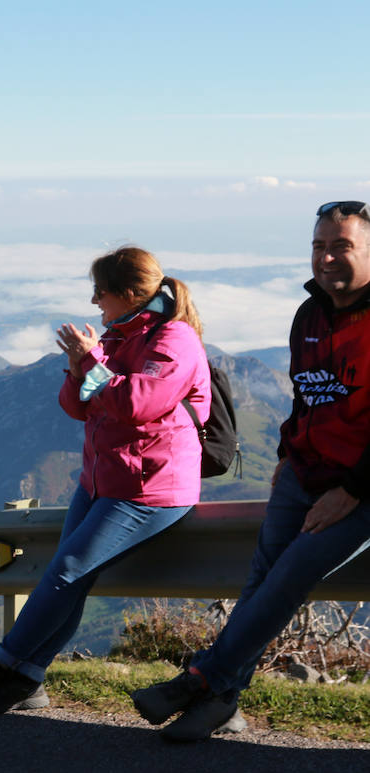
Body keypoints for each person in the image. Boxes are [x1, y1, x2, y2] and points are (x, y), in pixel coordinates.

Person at [132, 201, 370, 741]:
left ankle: (199, 679)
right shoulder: (308, 314)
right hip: (301, 473)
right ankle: (220, 701)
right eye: (318, 246)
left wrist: (352, 490)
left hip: (356, 488)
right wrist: (287, 452)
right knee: (263, 581)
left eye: (342, 246)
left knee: (287, 578)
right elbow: (307, 398)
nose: (327, 257)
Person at [0, 247, 211, 716]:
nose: (94, 302)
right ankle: (28, 677)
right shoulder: (120, 335)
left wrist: (91, 362)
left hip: (148, 489)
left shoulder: (175, 340)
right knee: (71, 582)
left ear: (128, 293)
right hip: (100, 482)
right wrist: (78, 364)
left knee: (65, 573)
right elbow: (79, 406)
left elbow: (136, 403)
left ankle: (1, 666)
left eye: (100, 291)